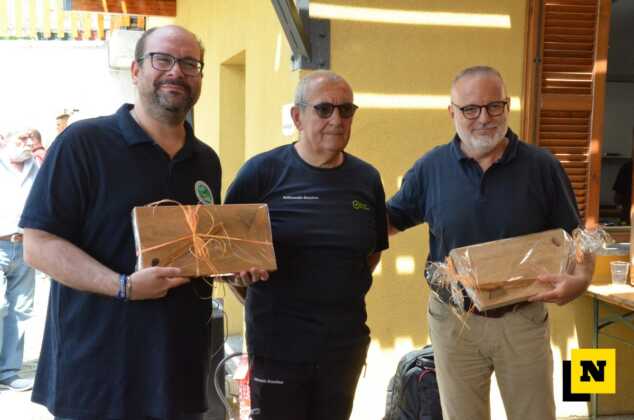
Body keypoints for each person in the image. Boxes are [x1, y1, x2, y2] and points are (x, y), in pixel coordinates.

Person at [19, 25, 255, 420]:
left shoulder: (205, 160)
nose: (176, 71)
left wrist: (232, 268)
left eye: (190, 64)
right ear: (135, 70)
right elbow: (38, 244)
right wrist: (124, 287)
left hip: (177, 376)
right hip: (97, 376)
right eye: (162, 59)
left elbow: (197, 249)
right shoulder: (83, 143)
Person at [386, 66, 594, 420]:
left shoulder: (542, 166)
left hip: (522, 319)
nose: (483, 118)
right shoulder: (431, 168)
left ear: (507, 106)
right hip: (454, 322)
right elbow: (389, 221)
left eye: (494, 106)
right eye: (470, 109)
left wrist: (582, 279)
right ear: (452, 112)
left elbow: (577, 238)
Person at [224, 70, 389, 420]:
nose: (337, 120)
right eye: (324, 109)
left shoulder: (367, 178)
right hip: (278, 345)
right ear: (297, 117)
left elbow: (371, 252)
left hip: (343, 346)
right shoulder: (261, 173)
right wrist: (244, 284)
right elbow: (224, 253)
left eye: (346, 110)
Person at [0, 132, 38, 392]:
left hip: (26, 245)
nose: (28, 144)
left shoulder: (37, 167)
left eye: (30, 139)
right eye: (21, 139)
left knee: (21, 309)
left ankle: (9, 372)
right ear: (5, 140)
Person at [612, 127, 634, 224]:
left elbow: (617, 197)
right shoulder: (627, 168)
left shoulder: (627, 167)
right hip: (627, 217)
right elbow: (617, 196)